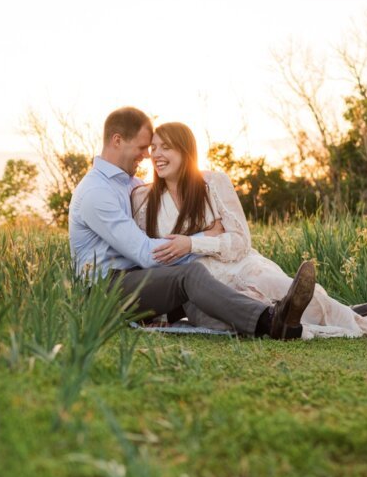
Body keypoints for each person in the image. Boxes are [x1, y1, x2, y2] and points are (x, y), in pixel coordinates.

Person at [132, 121, 367, 339]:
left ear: (185, 150)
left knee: (293, 294)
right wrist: (208, 234)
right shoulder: (144, 200)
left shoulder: (213, 183)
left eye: (165, 147)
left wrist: (192, 245)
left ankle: (364, 323)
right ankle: (359, 314)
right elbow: (147, 253)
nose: (157, 154)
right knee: (244, 314)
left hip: (240, 266)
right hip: (204, 286)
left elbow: (240, 241)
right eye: (154, 147)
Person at [69, 106, 315, 340]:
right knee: (190, 275)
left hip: (141, 279)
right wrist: (202, 239)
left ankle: (332, 315)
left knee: (214, 287)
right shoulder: (95, 193)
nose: (147, 156)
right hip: (106, 289)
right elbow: (144, 253)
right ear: (117, 140)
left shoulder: (131, 185)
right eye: (143, 147)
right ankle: (270, 321)